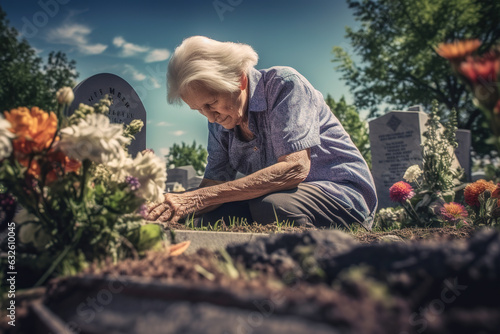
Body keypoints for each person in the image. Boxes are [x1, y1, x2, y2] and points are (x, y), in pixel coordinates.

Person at [147, 36, 378, 230]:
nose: (209, 117)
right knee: (206, 219)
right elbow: (214, 183)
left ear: (240, 79)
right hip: (276, 196)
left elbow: (295, 168)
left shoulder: (284, 85)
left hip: (340, 194)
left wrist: (198, 198)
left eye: (212, 103)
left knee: (273, 207)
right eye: (199, 110)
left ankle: (317, 265)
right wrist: (165, 207)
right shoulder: (220, 121)